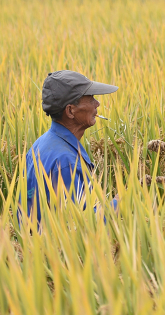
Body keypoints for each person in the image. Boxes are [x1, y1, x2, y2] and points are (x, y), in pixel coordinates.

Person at [22, 70, 118, 223]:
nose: (97, 103)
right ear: (70, 111)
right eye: (91, 98)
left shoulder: (40, 144)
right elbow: (82, 225)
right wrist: (121, 202)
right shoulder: (66, 163)